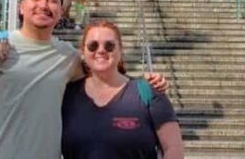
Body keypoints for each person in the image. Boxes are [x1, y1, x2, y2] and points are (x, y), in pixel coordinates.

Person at [0, 0, 167, 159]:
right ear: (21, 6)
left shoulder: (68, 57)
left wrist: (144, 82)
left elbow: (106, 76)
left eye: (52, 0)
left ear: (61, 11)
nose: (43, 5)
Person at [61, 21, 184, 159]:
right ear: (83, 52)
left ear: (120, 50)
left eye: (109, 46)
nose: (101, 50)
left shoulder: (149, 91)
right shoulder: (67, 95)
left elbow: (173, 148)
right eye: (92, 46)